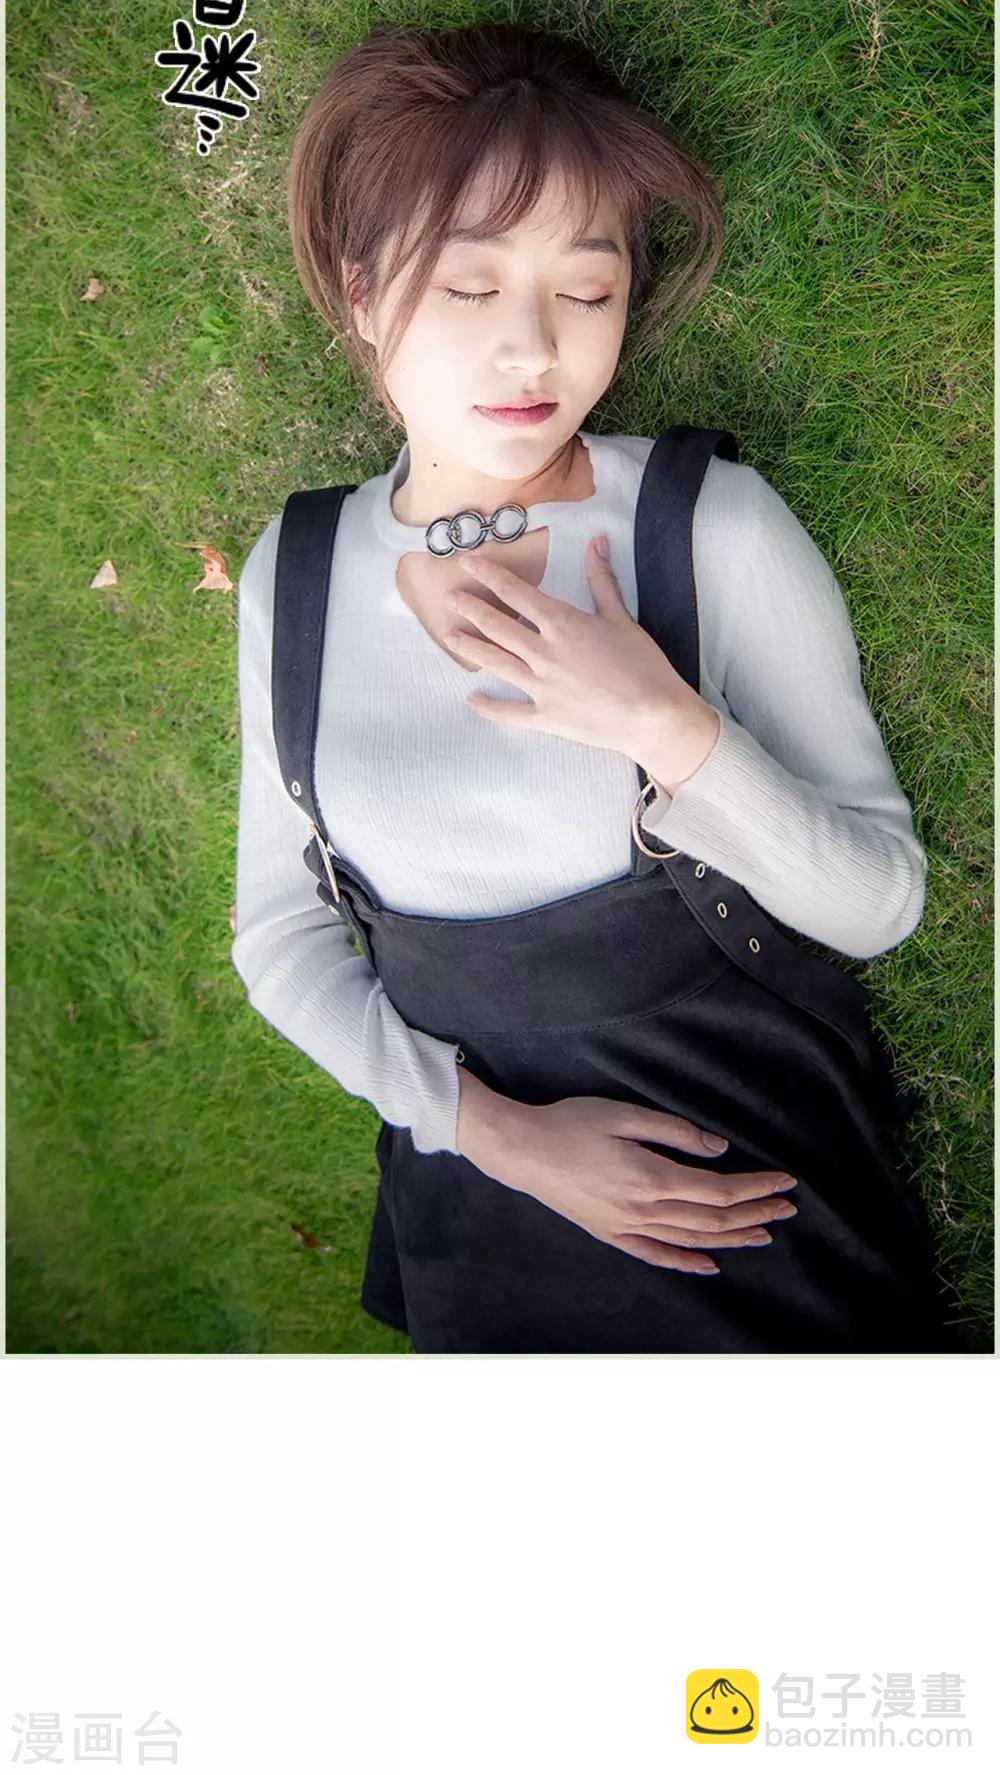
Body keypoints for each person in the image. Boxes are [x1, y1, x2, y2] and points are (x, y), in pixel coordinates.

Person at [231, 20, 955, 1353]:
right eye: (469, 287)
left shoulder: (706, 527)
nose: (532, 351)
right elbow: (278, 935)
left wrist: (666, 728)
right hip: (474, 1194)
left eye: (585, 289)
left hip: (729, 1184)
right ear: (361, 292)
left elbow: (879, 906)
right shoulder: (303, 566)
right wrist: (498, 1138)